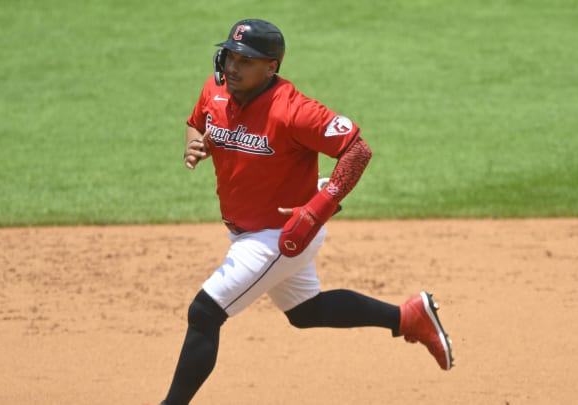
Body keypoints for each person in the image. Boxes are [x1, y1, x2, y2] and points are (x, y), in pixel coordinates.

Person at [158, 18, 454, 405]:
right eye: (230, 55)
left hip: (281, 234)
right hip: (248, 229)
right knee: (305, 311)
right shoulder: (216, 89)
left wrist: (316, 212)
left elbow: (358, 150)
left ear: (271, 67)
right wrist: (194, 145)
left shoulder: (294, 110)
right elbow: (196, 124)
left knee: (205, 313)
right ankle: (408, 317)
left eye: (245, 60)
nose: (232, 66)